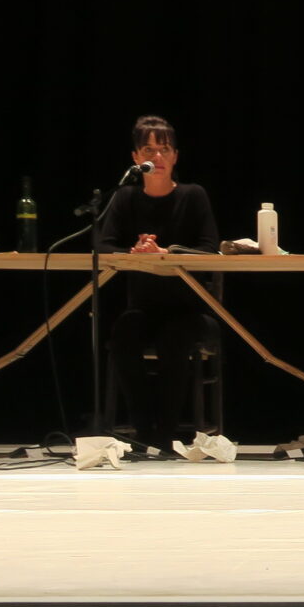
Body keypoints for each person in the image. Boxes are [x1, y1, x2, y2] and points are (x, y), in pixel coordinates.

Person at [94, 115, 221, 446]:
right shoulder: (124, 198)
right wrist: (134, 252)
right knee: (124, 334)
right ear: (136, 158)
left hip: (190, 311)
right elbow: (103, 246)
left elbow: (209, 250)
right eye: (149, 149)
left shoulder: (193, 196)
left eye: (164, 149)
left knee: (174, 339)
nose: (157, 157)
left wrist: (167, 252)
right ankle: (143, 431)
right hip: (143, 308)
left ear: (176, 156)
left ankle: (164, 436)